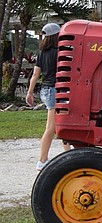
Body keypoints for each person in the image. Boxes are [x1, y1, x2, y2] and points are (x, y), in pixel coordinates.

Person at [26, 23, 71, 171]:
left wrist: (30, 92)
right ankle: (42, 160)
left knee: (61, 124)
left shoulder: (42, 53)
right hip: (56, 90)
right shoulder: (61, 52)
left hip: (46, 90)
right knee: (51, 128)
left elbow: (35, 75)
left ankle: (68, 155)